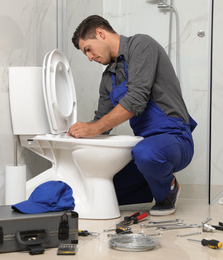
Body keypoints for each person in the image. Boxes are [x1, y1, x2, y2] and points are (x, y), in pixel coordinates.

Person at [68, 15, 197, 216]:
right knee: (98, 192)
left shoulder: (141, 45)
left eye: (88, 49)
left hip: (175, 138)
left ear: (100, 33)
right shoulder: (108, 77)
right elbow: (101, 121)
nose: (90, 57)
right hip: (143, 144)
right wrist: (77, 134)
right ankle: (150, 179)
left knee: (146, 153)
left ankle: (168, 190)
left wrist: (94, 127)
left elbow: (136, 100)